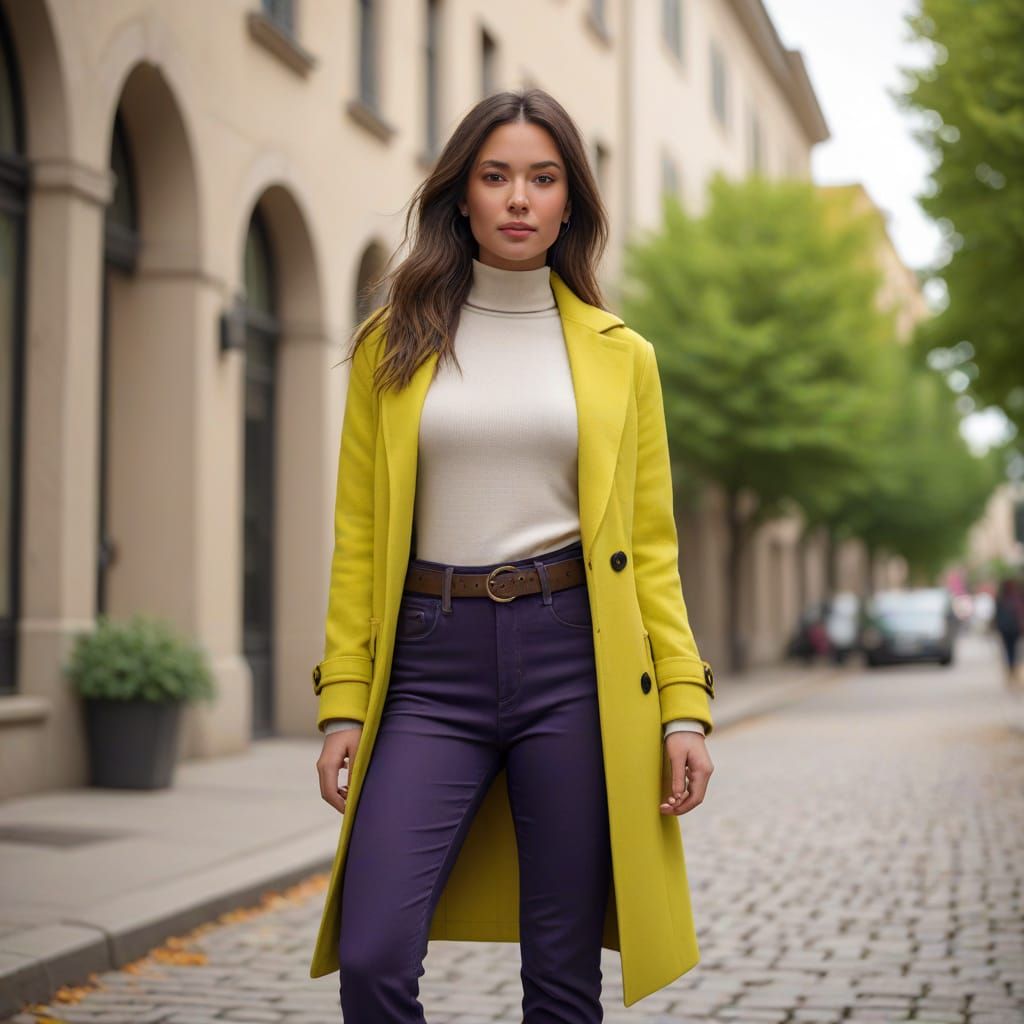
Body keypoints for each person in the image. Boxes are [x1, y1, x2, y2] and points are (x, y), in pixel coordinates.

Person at [310, 88, 717, 1021]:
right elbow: (360, 534)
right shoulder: (392, 344)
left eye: (543, 178)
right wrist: (342, 697)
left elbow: (652, 550)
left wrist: (684, 708)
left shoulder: (624, 358)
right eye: (496, 177)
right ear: (462, 196)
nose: (520, 198)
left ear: (572, 200)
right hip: (427, 664)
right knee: (373, 954)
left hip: (575, 659)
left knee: (564, 973)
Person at [993, 574, 1024, 690]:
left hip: (1009, 629)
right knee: (1014, 651)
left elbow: (996, 616)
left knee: (1010, 651)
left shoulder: (1002, 598)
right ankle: (1013, 673)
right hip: (1012, 629)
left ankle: (1012, 672)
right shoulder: (1017, 597)